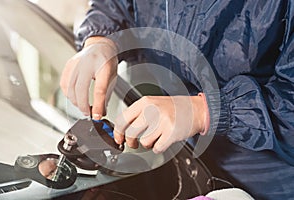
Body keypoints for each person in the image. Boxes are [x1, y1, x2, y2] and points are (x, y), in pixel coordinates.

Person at [60, 1, 294, 199]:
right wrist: (103, 39)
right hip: (166, 156)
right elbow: (120, 5)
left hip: (260, 182)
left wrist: (206, 110)